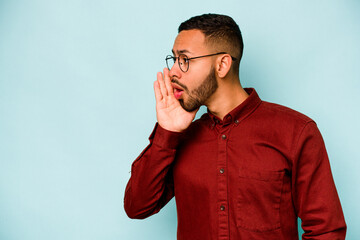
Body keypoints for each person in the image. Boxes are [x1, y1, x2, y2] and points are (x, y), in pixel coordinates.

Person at [124, 13, 346, 240]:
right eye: (174, 60)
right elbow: (137, 206)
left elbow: (326, 230)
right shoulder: (178, 139)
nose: (173, 72)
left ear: (222, 65)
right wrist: (167, 132)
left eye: (185, 60)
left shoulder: (296, 132)